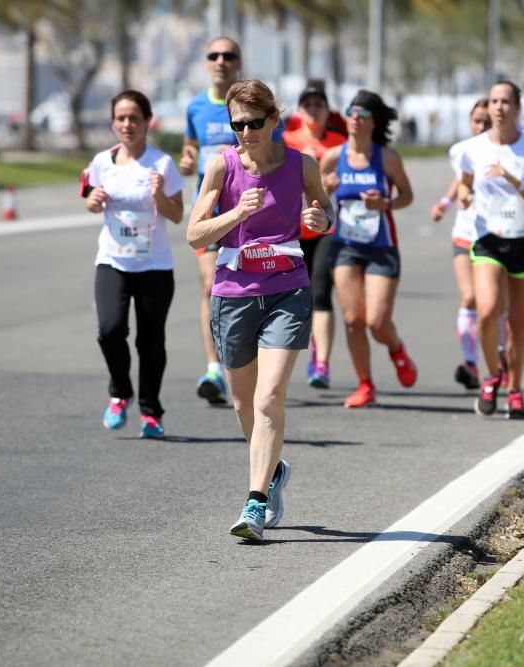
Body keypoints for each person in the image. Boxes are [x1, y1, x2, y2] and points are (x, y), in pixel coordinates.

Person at [187, 79, 332, 542]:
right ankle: (273, 470)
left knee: (269, 398)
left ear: (273, 119)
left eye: (253, 123)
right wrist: (235, 215)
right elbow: (195, 234)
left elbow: (325, 213)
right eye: (237, 125)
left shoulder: (301, 165)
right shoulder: (221, 166)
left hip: (287, 287)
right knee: (244, 403)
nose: (244, 132)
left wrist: (319, 221)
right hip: (233, 292)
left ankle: (255, 503)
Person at [180, 37, 284, 407]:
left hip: (257, 214)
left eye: (229, 55)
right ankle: (214, 368)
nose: (221, 60)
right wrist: (188, 162)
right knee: (210, 284)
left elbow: (277, 156)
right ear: (207, 61)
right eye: (214, 55)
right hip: (214, 214)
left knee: (255, 284)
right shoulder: (196, 106)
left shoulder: (255, 107)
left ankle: (254, 359)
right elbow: (189, 147)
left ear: (239, 61)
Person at [81, 90, 185, 438]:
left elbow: (177, 214)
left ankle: (151, 411)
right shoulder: (102, 162)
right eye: (121, 118)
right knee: (110, 330)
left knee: (150, 342)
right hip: (112, 260)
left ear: (147, 122)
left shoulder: (162, 164)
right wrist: (93, 202)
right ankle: (120, 390)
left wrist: (158, 196)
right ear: (114, 123)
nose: (128, 124)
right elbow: (90, 201)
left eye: (134, 118)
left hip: (154, 266)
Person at [456, 80, 524, 419]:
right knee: (487, 312)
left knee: (518, 326)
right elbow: (463, 187)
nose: (499, 107)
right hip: (487, 241)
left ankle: (515, 388)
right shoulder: (473, 148)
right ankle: (491, 375)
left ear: (517, 108)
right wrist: (464, 196)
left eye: (506, 101)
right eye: (494, 101)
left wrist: (513, 179)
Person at [320, 90, 416, 409]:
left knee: (376, 321)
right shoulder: (333, 157)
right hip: (345, 246)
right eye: (351, 113)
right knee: (352, 319)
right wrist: (326, 190)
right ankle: (365, 384)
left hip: (381, 247)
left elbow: (407, 196)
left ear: (374, 122)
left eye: (363, 114)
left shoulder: (386, 158)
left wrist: (384, 203)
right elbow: (316, 202)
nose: (355, 119)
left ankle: (396, 348)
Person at [431, 98, 509, 391]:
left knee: (497, 306)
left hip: (498, 235)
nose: (481, 126)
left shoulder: (507, 151)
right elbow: (461, 179)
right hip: (465, 231)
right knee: (469, 299)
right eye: (477, 120)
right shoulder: (461, 150)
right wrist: (445, 203)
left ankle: (502, 359)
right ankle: (471, 364)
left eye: (487, 121)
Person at [283, 81, 347, 389]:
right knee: (297, 297)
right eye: (307, 105)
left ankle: (321, 361)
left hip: (326, 228)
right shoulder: (287, 140)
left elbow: (354, 179)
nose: (313, 110)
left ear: (327, 110)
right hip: (292, 229)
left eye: (318, 105)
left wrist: (335, 184)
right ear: (299, 110)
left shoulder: (338, 142)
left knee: (321, 293)